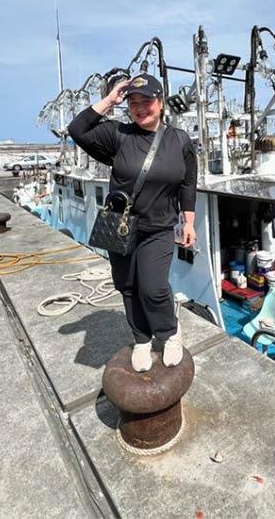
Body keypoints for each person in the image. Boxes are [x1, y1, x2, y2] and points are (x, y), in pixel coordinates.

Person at [68, 74, 197, 372]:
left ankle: (169, 332)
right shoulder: (118, 135)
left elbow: (188, 183)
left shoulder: (180, 141)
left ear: (161, 103)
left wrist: (188, 222)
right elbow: (77, 129)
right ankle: (141, 339)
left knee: (152, 287)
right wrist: (110, 100)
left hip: (158, 228)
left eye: (147, 101)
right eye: (133, 103)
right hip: (120, 225)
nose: (140, 108)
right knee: (127, 286)